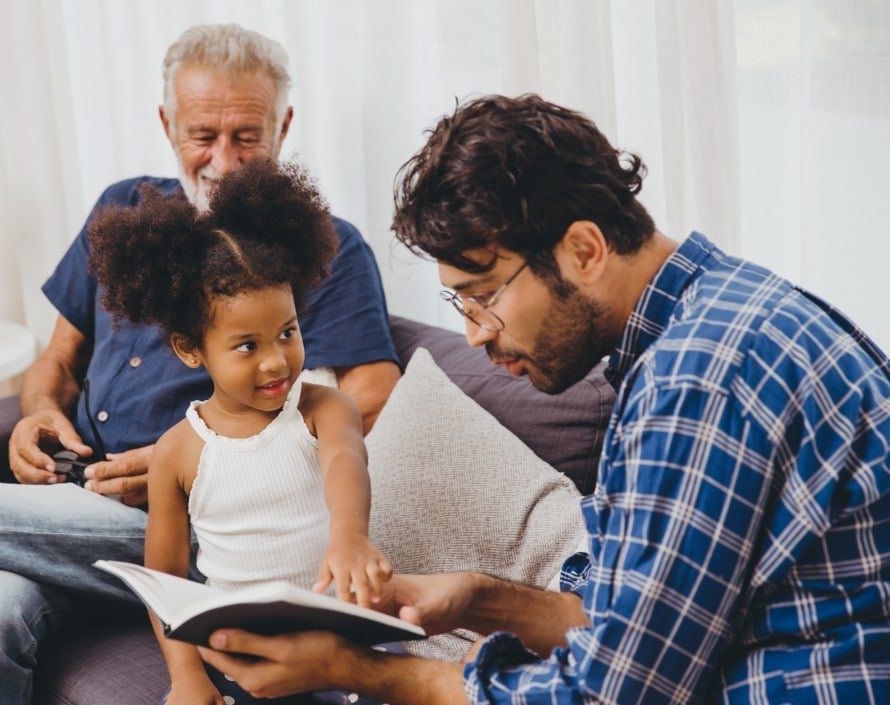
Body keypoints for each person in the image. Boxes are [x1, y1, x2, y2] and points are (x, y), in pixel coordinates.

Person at [195, 94, 890, 704]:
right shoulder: (719, 316)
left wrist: (370, 671)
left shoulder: (697, 378)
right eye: (457, 303)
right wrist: (482, 599)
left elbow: (612, 692)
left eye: (484, 295)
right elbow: (641, 628)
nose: (471, 335)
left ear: (584, 249)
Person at [0, 24, 400, 705]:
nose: (222, 158)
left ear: (284, 125)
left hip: (191, 519)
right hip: (74, 508)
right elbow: (55, 361)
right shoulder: (122, 209)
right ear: (167, 124)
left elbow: (371, 395)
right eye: (202, 134)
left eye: (246, 136)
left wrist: (184, 460)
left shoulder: (323, 247)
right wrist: (37, 413)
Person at [88, 160, 393, 705]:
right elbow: (166, 581)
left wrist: (350, 537)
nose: (277, 362)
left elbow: (345, 462)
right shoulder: (177, 452)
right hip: (241, 664)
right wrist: (187, 677)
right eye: (248, 346)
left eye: (288, 332)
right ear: (190, 349)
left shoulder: (323, 409)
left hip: (340, 647)